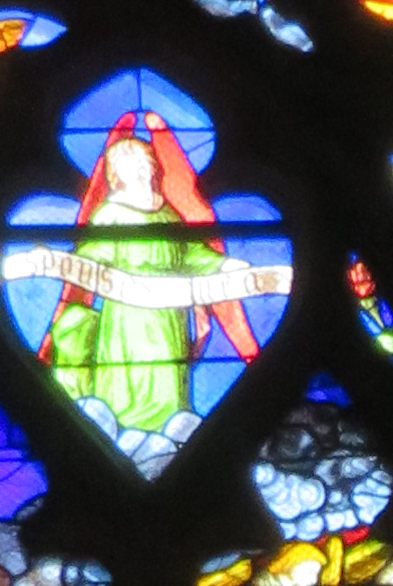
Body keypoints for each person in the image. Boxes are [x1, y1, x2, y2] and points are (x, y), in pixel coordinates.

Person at [40, 114, 268, 455]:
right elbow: (89, 258)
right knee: (127, 381)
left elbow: (190, 254)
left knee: (169, 381)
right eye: (130, 167)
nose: (140, 171)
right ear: (116, 176)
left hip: (169, 319)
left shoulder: (167, 214)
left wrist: (222, 265)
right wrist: (56, 263)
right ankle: (123, 440)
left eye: (144, 163)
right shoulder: (110, 215)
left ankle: (171, 435)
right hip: (126, 320)